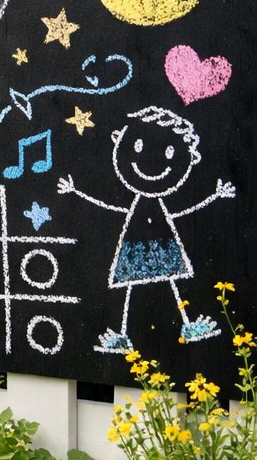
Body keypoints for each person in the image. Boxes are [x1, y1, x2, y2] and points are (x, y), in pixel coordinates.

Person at [57, 105, 234, 353]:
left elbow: (177, 213)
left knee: (171, 283)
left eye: (170, 152)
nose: (152, 162)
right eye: (138, 146)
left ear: (190, 158)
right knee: (132, 287)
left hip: (160, 240)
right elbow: (112, 206)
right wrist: (76, 191)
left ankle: (186, 323)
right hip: (138, 241)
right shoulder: (138, 204)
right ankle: (123, 333)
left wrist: (214, 196)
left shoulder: (156, 204)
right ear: (121, 140)